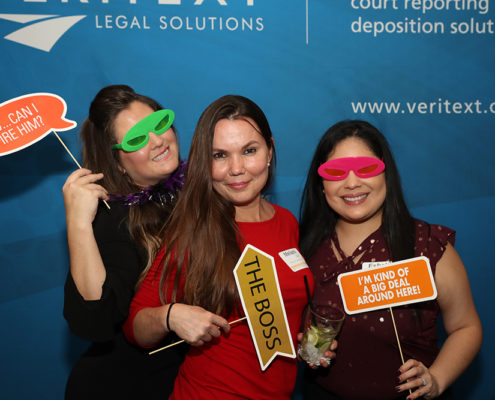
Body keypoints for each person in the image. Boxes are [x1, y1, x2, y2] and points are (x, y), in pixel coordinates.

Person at [123, 94, 324, 399]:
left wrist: (310, 342)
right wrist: (171, 316)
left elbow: (281, 308)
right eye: (220, 155)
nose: (236, 168)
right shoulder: (195, 231)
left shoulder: (287, 222)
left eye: (249, 151)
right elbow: (135, 327)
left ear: (270, 151)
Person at [299, 120, 482, 400]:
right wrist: (310, 351)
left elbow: (465, 327)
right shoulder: (302, 247)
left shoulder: (427, 245)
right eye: (335, 172)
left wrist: (436, 378)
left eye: (366, 168)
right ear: (321, 184)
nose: (351, 183)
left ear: (386, 174)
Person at [62, 85, 187, 400]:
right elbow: (95, 323)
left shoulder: (193, 194)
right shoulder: (116, 220)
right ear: (118, 163)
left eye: (159, 123)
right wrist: (79, 224)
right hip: (122, 387)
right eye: (136, 139)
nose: (157, 140)